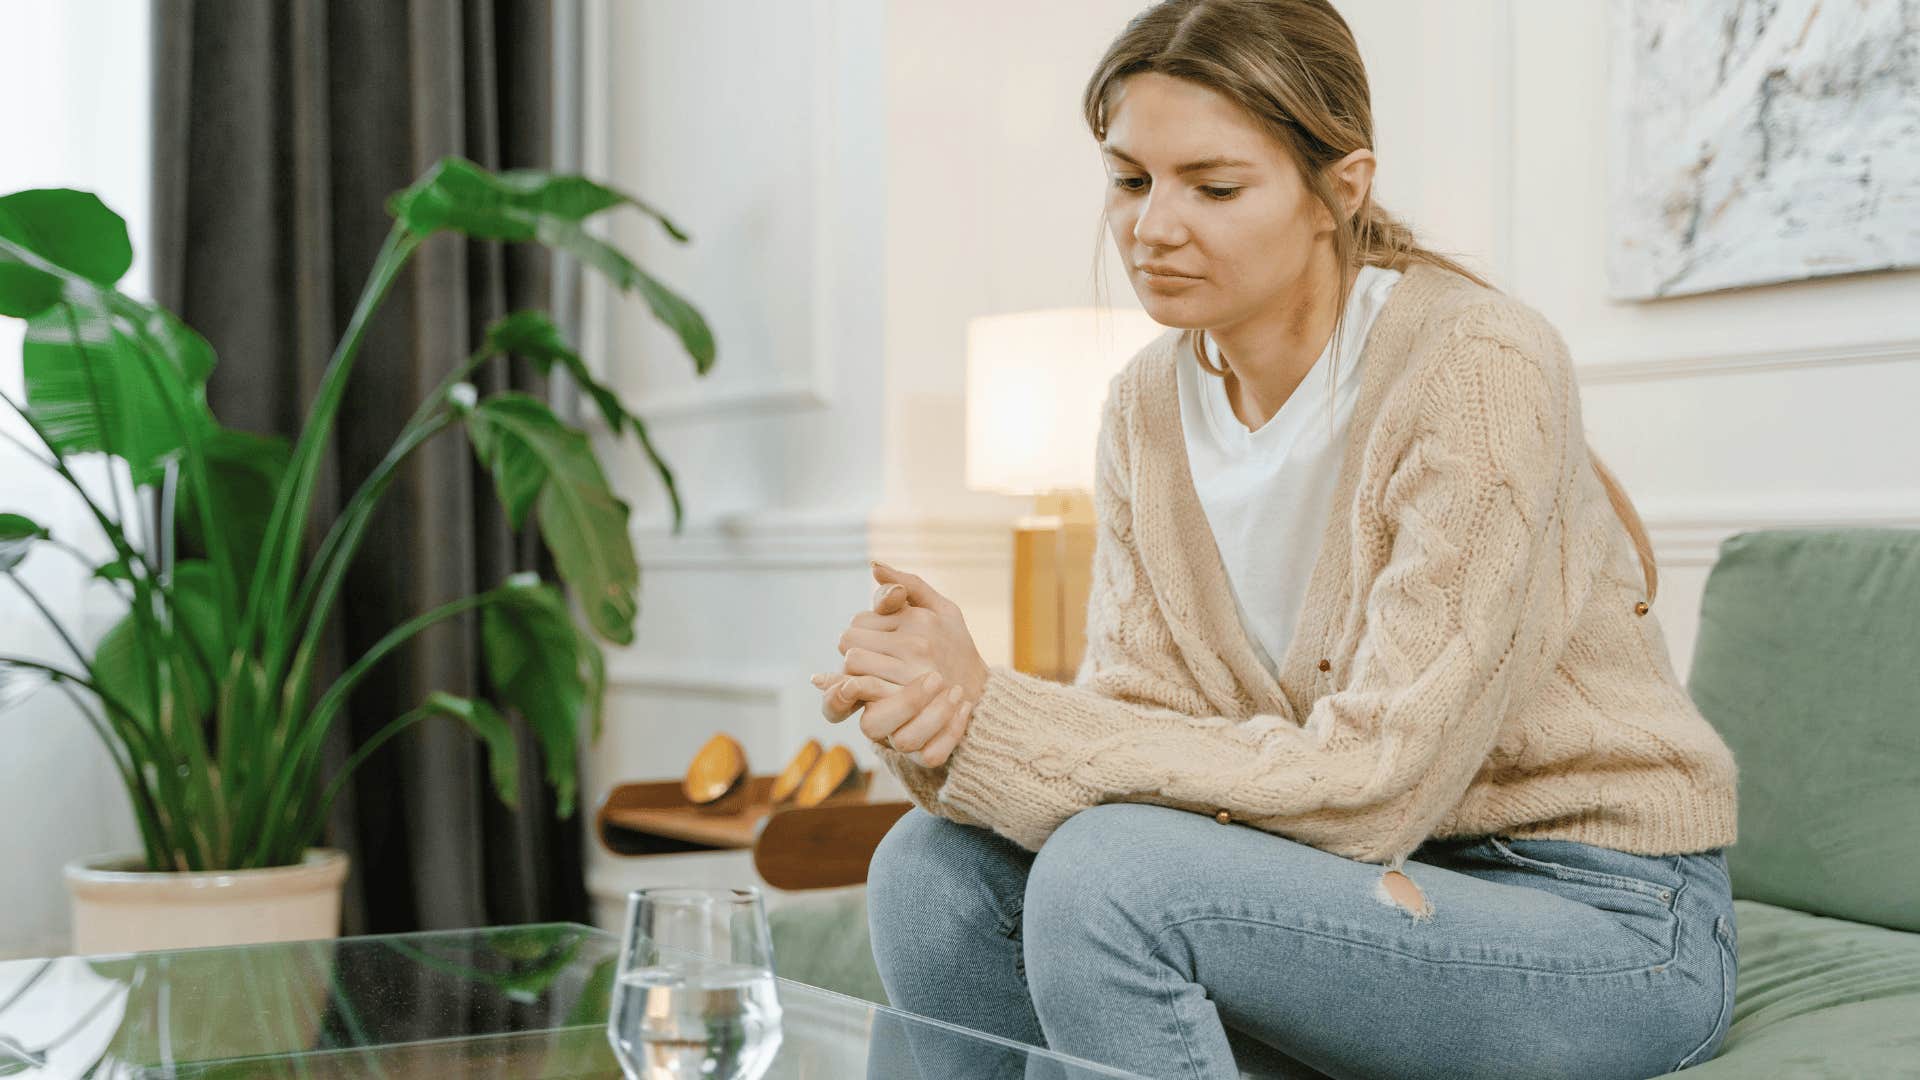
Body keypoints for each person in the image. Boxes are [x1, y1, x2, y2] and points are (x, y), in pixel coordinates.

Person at [809, 2, 1740, 1077]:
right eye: (1130, 180)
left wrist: (998, 711)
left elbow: (1379, 779)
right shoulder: (1144, 407)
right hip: (1327, 881)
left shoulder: (1478, 366)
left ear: (1339, 190)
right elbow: (1143, 726)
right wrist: (940, 719)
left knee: (1113, 878)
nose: (1153, 228)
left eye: (1213, 188)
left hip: (1605, 913)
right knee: (931, 872)